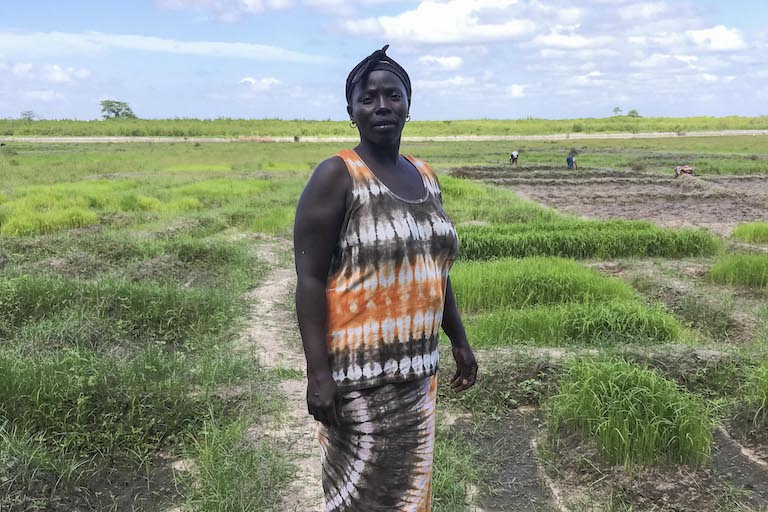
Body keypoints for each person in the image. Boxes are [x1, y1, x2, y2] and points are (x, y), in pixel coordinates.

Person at [293, 45, 478, 511]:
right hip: (357, 378)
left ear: (408, 105)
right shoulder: (336, 176)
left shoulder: (425, 175)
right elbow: (310, 280)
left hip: (417, 376)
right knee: (359, 498)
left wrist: (457, 338)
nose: (381, 106)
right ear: (351, 110)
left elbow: (434, 267)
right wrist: (318, 375)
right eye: (368, 97)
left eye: (392, 95)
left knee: (408, 497)